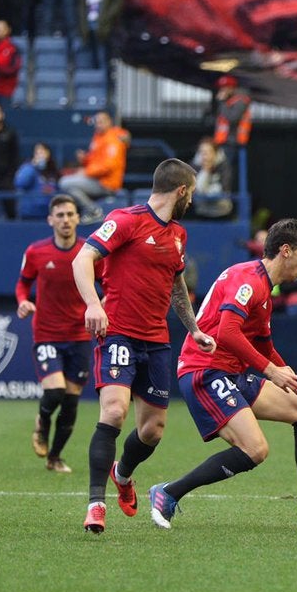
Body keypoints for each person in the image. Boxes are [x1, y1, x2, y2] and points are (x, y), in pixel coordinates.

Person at [147, 219, 297, 530]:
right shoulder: (248, 280)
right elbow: (228, 332)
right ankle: (169, 492)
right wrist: (272, 372)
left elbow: (263, 344)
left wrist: (295, 386)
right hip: (204, 371)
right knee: (255, 450)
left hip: (229, 373)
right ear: (286, 251)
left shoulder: (262, 288)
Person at [71, 158, 216, 534]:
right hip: (118, 332)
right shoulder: (126, 219)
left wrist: (194, 329)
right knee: (115, 411)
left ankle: (123, 473)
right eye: (192, 193)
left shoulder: (179, 235)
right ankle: (96, 505)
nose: (192, 200)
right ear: (181, 190)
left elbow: (176, 287)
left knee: (152, 430)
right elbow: (83, 258)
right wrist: (92, 303)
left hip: (156, 342)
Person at [16, 195, 102, 474]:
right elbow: (23, 283)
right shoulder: (36, 251)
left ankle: (55, 457)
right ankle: (41, 424)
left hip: (78, 335)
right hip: (46, 333)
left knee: (70, 400)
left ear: (78, 218)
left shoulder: (89, 253)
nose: (65, 220)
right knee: (54, 390)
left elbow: (108, 283)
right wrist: (23, 301)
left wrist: (104, 305)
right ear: (50, 219)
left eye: (70, 214)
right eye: (60, 215)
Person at [59, 110, 130, 223]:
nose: (98, 125)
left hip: (107, 183)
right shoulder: (98, 136)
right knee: (70, 188)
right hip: (95, 179)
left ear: (109, 122)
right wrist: (85, 159)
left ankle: (94, 211)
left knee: (64, 182)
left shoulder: (113, 139)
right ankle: (91, 211)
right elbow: (95, 160)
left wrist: (85, 172)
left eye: (101, 122)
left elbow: (108, 166)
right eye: (97, 122)